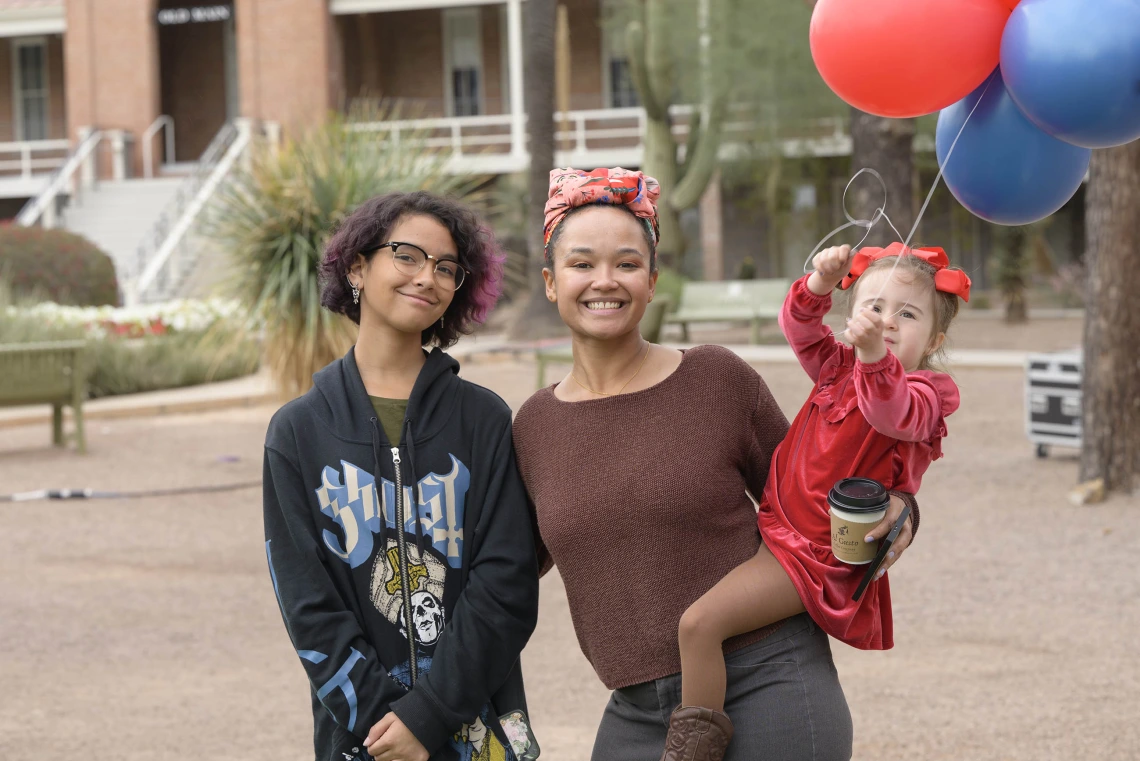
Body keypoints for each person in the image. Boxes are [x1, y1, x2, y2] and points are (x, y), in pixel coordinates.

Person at [512, 167, 921, 761]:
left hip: (769, 682)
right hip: (634, 711)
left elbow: (811, 484)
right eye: (582, 264)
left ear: (652, 282)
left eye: (627, 264)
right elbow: (506, 571)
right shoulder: (534, 426)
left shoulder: (714, 378)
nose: (605, 280)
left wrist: (903, 506)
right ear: (551, 283)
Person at [263, 191, 540, 761]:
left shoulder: (483, 419)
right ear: (358, 266)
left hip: (477, 729)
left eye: (446, 267)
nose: (428, 278)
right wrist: (387, 726)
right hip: (364, 742)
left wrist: (431, 714)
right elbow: (307, 604)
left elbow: (506, 586)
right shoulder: (297, 432)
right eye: (407, 256)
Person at [672, 241, 968, 755]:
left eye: (908, 313)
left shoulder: (929, 392)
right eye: (874, 306)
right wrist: (818, 286)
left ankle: (692, 750)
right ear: (854, 312)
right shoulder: (839, 367)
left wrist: (875, 355)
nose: (888, 321)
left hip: (815, 554)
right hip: (778, 524)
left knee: (698, 626)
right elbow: (801, 332)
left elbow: (889, 412)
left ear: (935, 337)